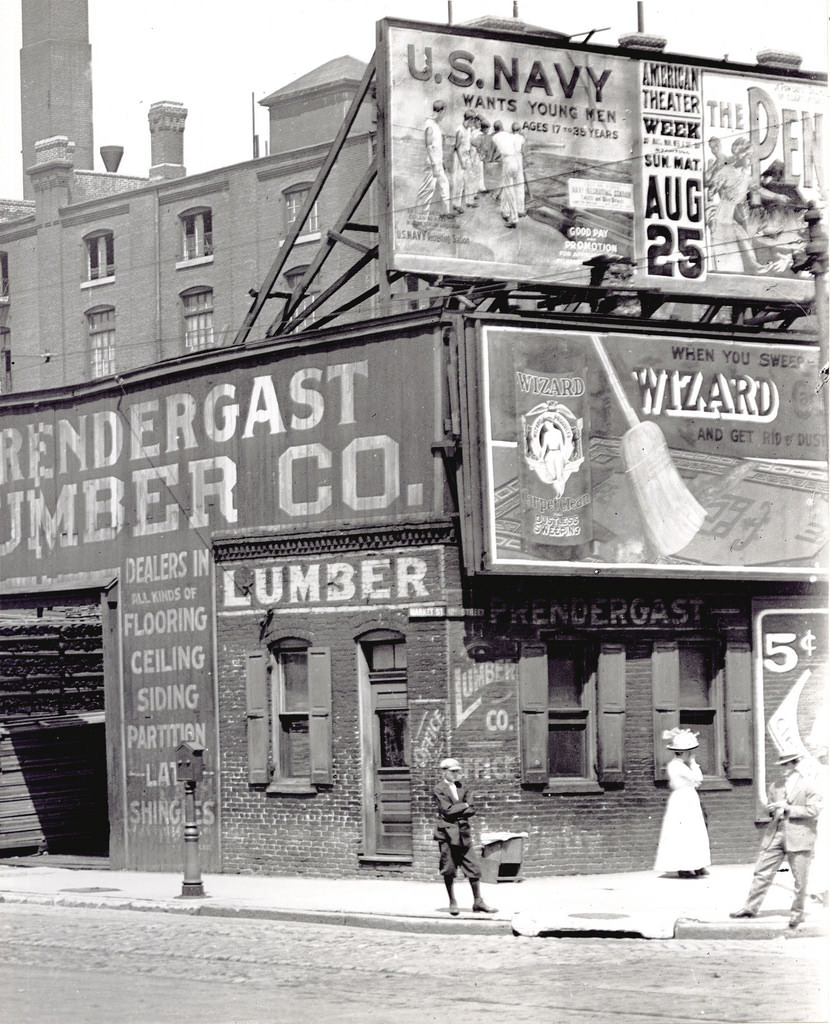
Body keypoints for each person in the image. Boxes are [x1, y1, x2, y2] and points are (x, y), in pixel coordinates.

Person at [730, 750, 823, 928]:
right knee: (762, 870)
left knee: (800, 878)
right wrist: (771, 809)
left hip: (799, 835)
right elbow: (772, 810)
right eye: (780, 766)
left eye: (786, 765)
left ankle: (797, 913)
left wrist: (788, 808)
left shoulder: (809, 785)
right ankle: (750, 908)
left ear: (795, 765)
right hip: (776, 832)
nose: (782, 769)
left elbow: (814, 811)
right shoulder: (775, 786)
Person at [432, 757, 497, 915]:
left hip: (463, 832)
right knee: (449, 868)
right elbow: (447, 811)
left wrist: (461, 807)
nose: (456, 775)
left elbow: (472, 809)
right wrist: (464, 806)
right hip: (447, 833)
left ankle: (478, 902)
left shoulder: (463, 787)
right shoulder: (439, 789)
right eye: (453, 772)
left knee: (473, 867)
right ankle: (452, 901)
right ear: (444, 772)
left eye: (458, 771)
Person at [654, 728, 711, 878]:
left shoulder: (681, 765)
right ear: (683, 752)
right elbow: (698, 779)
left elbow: (696, 780)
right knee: (683, 832)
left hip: (689, 798)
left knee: (693, 831)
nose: (691, 754)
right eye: (689, 752)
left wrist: (692, 764)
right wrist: (693, 763)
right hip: (682, 800)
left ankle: (697, 864)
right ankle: (683, 867)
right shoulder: (677, 766)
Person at [413, 100, 453, 226]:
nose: (444, 116)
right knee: (427, 190)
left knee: (445, 185)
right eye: (444, 112)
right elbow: (429, 146)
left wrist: (441, 162)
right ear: (441, 111)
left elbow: (437, 147)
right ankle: (419, 220)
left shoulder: (436, 125)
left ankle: (446, 212)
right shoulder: (429, 125)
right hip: (432, 164)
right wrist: (435, 165)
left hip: (438, 163)